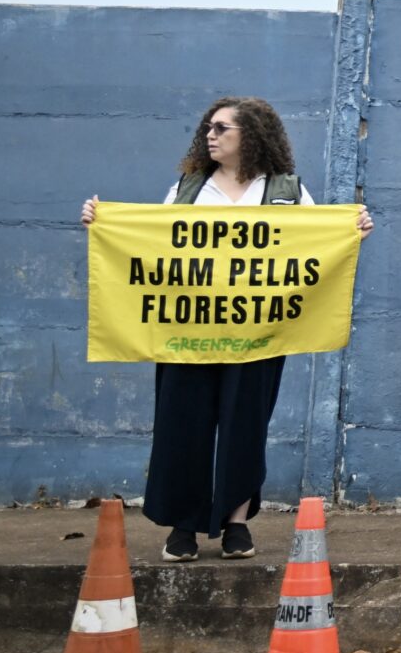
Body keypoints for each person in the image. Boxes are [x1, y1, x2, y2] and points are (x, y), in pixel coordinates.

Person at [82, 98, 375, 564]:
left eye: (222, 128)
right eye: (208, 128)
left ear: (251, 135)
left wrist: (351, 229)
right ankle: (183, 525)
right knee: (183, 425)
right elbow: (153, 244)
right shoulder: (187, 188)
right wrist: (104, 226)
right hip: (187, 333)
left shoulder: (287, 191)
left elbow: (314, 245)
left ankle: (236, 524)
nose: (210, 135)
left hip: (258, 335)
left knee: (245, 427)